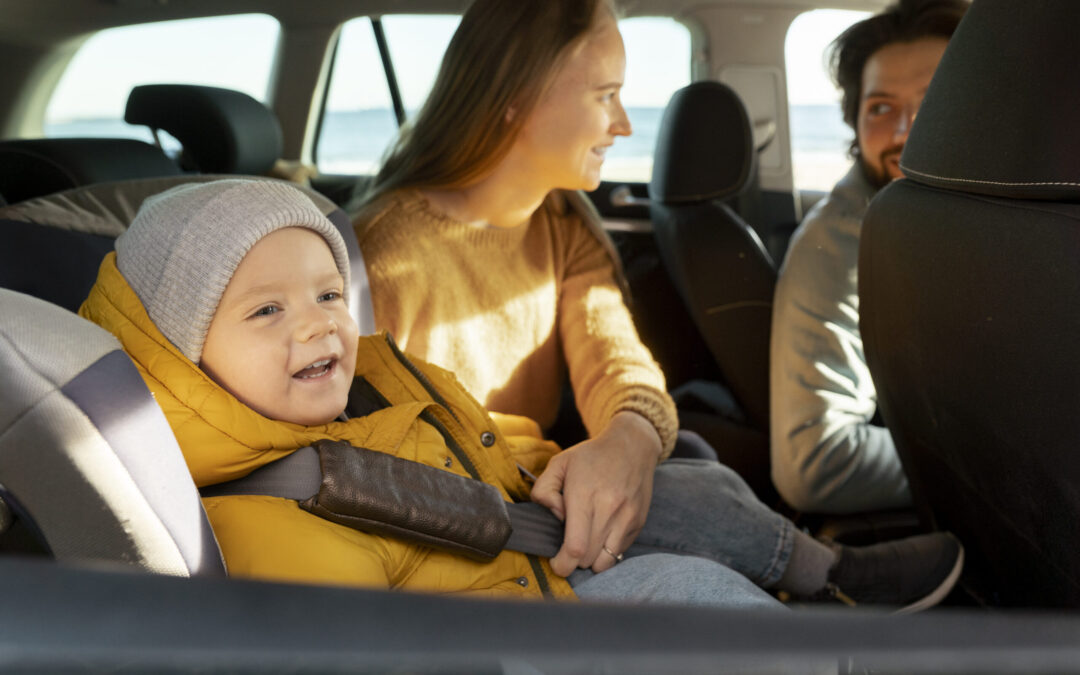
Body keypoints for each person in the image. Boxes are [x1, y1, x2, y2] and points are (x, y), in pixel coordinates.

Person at [80, 178, 963, 611]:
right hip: (516, 623)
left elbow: (477, 437)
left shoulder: (379, 377)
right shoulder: (263, 510)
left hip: (524, 538)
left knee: (692, 476)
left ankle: (825, 584)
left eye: (325, 295)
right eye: (266, 310)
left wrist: (575, 455)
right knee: (691, 591)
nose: (317, 327)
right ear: (181, 349)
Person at [354, 0, 688, 580]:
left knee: (705, 481)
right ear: (516, 95)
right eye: (605, 94)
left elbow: (613, 356)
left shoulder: (563, 225)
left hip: (535, 494)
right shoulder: (384, 258)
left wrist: (632, 434)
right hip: (459, 542)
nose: (625, 123)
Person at [770, 0, 969, 514]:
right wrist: (997, 464)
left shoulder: (957, 222)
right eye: (881, 107)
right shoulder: (841, 248)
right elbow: (815, 463)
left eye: (936, 99)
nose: (906, 130)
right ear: (855, 125)